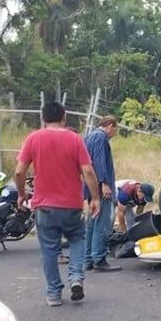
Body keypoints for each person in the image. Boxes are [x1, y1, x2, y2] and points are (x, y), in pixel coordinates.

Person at [14, 101, 101, 307]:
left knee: (49, 250)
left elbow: (19, 171)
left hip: (44, 206)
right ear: (64, 117)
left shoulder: (33, 138)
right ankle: (76, 278)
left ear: (44, 119)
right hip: (71, 205)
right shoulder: (75, 139)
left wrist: (21, 194)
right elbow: (88, 171)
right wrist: (95, 198)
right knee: (78, 239)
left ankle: (53, 293)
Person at [83, 115, 122, 272]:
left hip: (90, 187)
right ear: (110, 126)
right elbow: (99, 161)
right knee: (103, 223)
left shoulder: (88, 137)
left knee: (91, 223)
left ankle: (88, 259)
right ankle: (99, 258)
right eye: (115, 130)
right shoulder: (101, 138)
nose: (114, 133)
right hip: (100, 187)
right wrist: (104, 182)